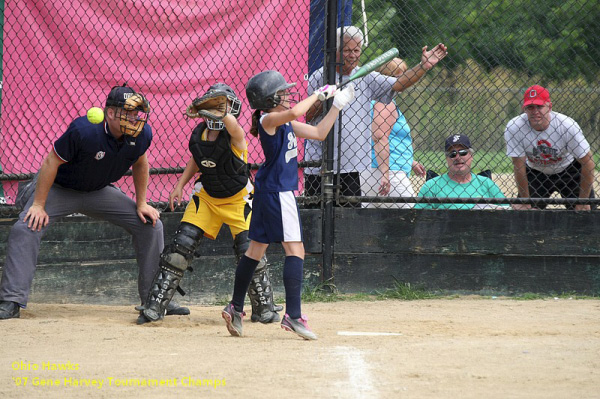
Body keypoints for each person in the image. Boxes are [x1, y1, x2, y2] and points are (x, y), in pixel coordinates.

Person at [0, 84, 188, 320]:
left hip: (99, 192)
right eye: (127, 112)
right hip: (60, 189)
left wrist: (142, 203)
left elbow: (140, 163)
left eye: (136, 112)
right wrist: (38, 204)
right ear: (110, 113)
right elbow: (50, 163)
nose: (134, 118)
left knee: (150, 225)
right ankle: (11, 300)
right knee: (26, 226)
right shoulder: (85, 131)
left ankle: (155, 300)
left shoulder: (141, 134)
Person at [221, 70, 354, 340]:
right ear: (269, 99)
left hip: (270, 192)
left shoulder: (283, 123)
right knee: (296, 250)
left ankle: (235, 306)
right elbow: (294, 113)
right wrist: (319, 94)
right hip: (278, 193)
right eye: (281, 93)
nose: (286, 95)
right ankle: (293, 315)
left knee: (255, 250)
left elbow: (319, 132)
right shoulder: (269, 119)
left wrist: (337, 106)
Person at [137, 83, 282, 325]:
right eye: (214, 106)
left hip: (238, 199)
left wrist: (222, 113)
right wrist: (180, 185)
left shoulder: (235, 136)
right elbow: (198, 158)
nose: (218, 111)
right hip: (207, 196)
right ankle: (155, 305)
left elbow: (235, 128)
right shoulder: (199, 135)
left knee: (249, 250)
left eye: (223, 106)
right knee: (180, 248)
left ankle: (263, 307)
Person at [304, 25, 447, 206]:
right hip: (319, 167)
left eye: (356, 50)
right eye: (347, 50)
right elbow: (306, 116)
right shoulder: (319, 77)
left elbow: (399, 84)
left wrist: (423, 67)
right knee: (316, 218)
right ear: (336, 51)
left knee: (350, 222)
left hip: (353, 169)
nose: (353, 55)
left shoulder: (366, 77)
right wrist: (327, 95)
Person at [504, 85, 595, 210]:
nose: (535, 111)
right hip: (536, 172)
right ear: (524, 108)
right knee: (525, 216)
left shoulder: (567, 125)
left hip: (569, 170)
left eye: (539, 106)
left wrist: (583, 202)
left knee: (587, 215)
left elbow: (588, 163)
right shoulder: (514, 127)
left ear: (549, 107)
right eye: (530, 107)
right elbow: (518, 165)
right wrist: (525, 202)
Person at [361, 57, 426, 208]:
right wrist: (385, 173)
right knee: (411, 222)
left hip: (373, 169)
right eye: (398, 75)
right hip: (388, 172)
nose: (403, 79)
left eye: (404, 73)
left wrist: (410, 161)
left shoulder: (370, 101)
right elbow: (379, 137)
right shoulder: (385, 102)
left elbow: (389, 138)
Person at [415, 134, 507, 210]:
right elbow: (419, 218)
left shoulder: (486, 184)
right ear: (447, 159)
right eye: (452, 154)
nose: (458, 157)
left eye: (463, 152)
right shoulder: (431, 186)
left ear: (471, 156)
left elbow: (507, 209)